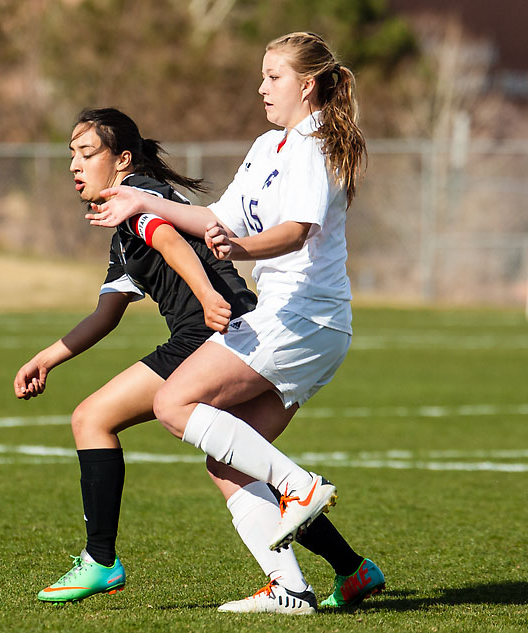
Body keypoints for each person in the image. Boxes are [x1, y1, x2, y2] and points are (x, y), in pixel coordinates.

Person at [15, 107, 375, 614]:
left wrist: (206, 295)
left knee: (92, 418)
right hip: (232, 328)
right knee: (232, 463)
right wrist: (47, 359)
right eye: (71, 154)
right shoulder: (125, 217)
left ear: (122, 159)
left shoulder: (136, 194)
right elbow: (107, 311)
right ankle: (346, 570)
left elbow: (164, 235)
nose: (75, 165)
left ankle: (100, 559)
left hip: (211, 332)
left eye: (87, 153)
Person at [86, 32, 385, 613]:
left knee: (174, 403)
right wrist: (142, 203)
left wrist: (239, 249)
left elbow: (297, 232)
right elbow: (214, 216)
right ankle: (291, 591)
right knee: (225, 460)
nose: (262, 87)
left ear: (307, 84)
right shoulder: (268, 145)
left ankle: (299, 485)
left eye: (273, 76)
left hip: (303, 317)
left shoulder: (314, 144)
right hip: (295, 321)